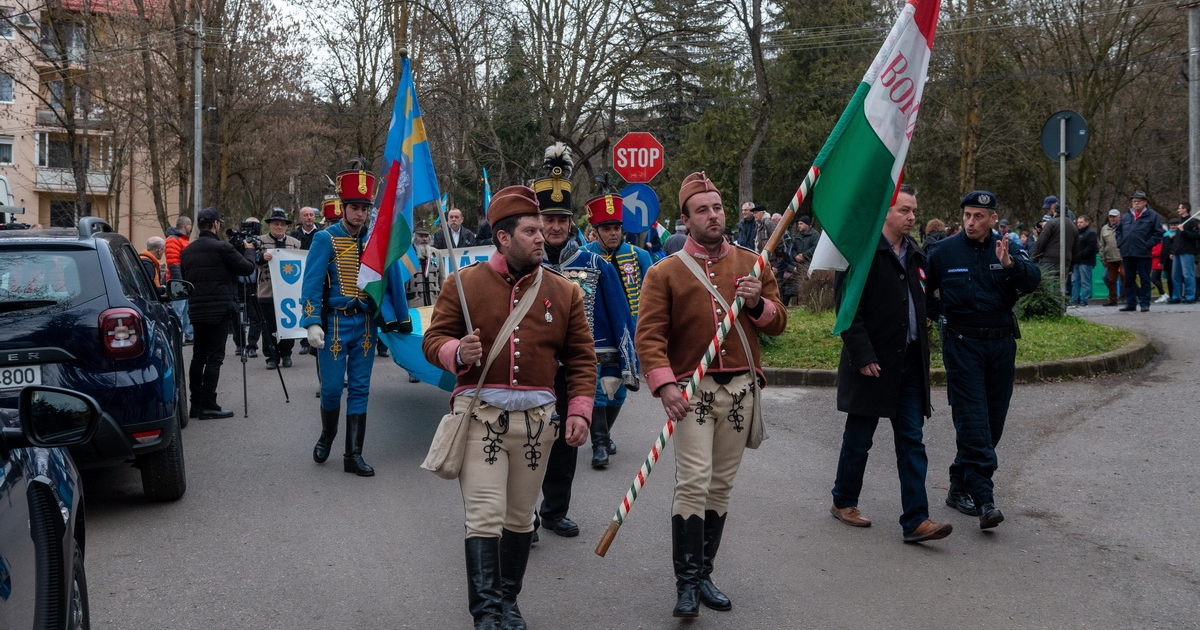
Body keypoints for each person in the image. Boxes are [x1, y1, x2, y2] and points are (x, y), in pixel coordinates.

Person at [422, 185, 596, 630]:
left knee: (520, 519)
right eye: (532, 230)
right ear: (503, 237)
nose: (543, 237)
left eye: (543, 230)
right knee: (484, 515)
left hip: (538, 426)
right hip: (481, 418)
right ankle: (485, 614)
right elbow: (433, 340)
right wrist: (457, 353)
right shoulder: (462, 284)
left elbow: (581, 357)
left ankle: (507, 601)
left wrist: (579, 409)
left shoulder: (565, 291)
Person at [637, 172, 786, 618]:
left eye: (718, 207)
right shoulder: (664, 272)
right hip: (692, 391)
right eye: (702, 210)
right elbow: (649, 337)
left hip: (741, 389)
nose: (714, 215)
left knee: (720, 484)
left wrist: (758, 303)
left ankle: (704, 574)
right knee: (694, 480)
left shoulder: (751, 262)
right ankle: (685, 583)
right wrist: (665, 385)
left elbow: (778, 323)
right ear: (685, 219)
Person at [829, 185, 952, 543]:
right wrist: (863, 355)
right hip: (873, 365)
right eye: (904, 210)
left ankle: (916, 520)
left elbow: (924, 302)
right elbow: (847, 311)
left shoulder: (915, 253)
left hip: (910, 363)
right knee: (859, 439)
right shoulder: (861, 253)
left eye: (914, 210)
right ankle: (843, 501)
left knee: (912, 441)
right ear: (885, 211)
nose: (912, 217)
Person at [531, 146, 638, 537]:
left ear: (571, 222)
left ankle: (555, 510)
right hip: (530, 370)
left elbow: (617, 314)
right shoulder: (522, 266)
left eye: (561, 219)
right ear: (537, 221)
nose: (555, 227)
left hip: (575, 371)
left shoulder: (594, 265)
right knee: (527, 442)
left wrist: (617, 366)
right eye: (548, 219)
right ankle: (524, 512)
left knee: (565, 443)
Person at [926, 191, 1040, 530]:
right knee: (973, 420)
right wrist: (942, 314)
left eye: (979, 216)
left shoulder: (1007, 248)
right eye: (967, 216)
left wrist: (1010, 264)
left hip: (1002, 344)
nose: (971, 222)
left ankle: (958, 484)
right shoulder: (944, 252)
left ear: (993, 219)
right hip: (963, 345)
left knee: (993, 422)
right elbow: (921, 293)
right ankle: (984, 497)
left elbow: (1032, 281)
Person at [302, 169, 381, 476]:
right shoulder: (325, 239)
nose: (360, 213)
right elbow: (311, 283)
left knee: (360, 388)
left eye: (364, 208)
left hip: (365, 324)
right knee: (333, 388)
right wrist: (311, 321)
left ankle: (353, 454)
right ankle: (327, 434)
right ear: (344, 207)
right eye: (355, 207)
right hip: (335, 323)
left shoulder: (375, 240)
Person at [582, 192, 652, 465]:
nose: (612, 233)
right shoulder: (583, 256)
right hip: (594, 335)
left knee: (622, 388)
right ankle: (599, 444)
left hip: (629, 335)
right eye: (606, 229)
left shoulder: (640, 256)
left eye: (616, 228)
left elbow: (653, 297)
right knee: (596, 388)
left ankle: (605, 433)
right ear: (595, 231)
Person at [180, 207, 256, 419]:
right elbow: (247, 269)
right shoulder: (222, 248)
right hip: (219, 311)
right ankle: (209, 404)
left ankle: (196, 404)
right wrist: (249, 249)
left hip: (196, 309)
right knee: (214, 357)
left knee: (198, 357)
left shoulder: (187, 251)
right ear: (215, 225)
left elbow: (186, 277)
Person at [257, 209, 301, 369]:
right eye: (276, 224)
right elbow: (251, 262)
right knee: (268, 327)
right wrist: (261, 258)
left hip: (288, 293)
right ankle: (271, 356)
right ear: (270, 225)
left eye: (282, 224)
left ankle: (286, 354)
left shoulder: (294, 243)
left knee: (287, 325)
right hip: (267, 291)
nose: (279, 227)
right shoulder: (260, 241)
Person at [1116, 190, 1164, 312]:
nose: (1135, 203)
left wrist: (1147, 245)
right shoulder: (1127, 216)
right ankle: (1131, 303)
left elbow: (1158, 233)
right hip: (1127, 252)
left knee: (1145, 279)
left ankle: (1145, 303)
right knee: (1129, 279)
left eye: (1138, 201)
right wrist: (1120, 243)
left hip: (1143, 254)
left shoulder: (1152, 216)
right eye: (1133, 201)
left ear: (1145, 202)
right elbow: (1119, 231)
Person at [232, 217, 261, 359]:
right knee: (236, 315)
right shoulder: (237, 242)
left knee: (256, 316)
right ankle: (240, 344)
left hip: (254, 284)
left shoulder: (260, 242)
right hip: (237, 284)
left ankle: (252, 345)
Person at [166, 215, 193, 343]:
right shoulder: (174, 240)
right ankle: (178, 336)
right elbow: (173, 262)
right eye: (191, 225)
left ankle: (188, 335)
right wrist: (180, 282)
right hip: (179, 282)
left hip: (183, 281)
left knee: (186, 310)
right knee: (178, 310)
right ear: (186, 225)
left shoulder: (181, 240)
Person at [1171, 203, 1198, 304]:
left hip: (1187, 251)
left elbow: (1196, 236)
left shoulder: (1192, 222)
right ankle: (1176, 296)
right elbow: (1177, 239)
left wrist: (1183, 231)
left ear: (1185, 209)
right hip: (1177, 251)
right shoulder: (1180, 222)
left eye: (1180, 208)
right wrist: (1173, 251)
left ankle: (1190, 296)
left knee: (1188, 275)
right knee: (1175, 275)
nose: (1178, 210)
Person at [1070, 215, 1098, 306]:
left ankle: (1084, 300)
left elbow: (1091, 248)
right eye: (1078, 222)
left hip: (1086, 262)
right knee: (1075, 281)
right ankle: (1074, 299)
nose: (1079, 224)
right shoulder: (1076, 233)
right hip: (1076, 261)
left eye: (1081, 222)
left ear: (1086, 222)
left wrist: (1079, 255)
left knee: (1085, 282)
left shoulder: (1091, 233)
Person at [1099, 209, 1123, 306]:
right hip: (1110, 258)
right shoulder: (1104, 228)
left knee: (1124, 276)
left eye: (1114, 216)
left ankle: (1127, 296)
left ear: (1119, 217)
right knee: (1109, 279)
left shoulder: (1123, 227)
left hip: (1122, 257)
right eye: (1110, 216)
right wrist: (1102, 257)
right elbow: (1102, 244)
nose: (1112, 218)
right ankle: (1113, 299)